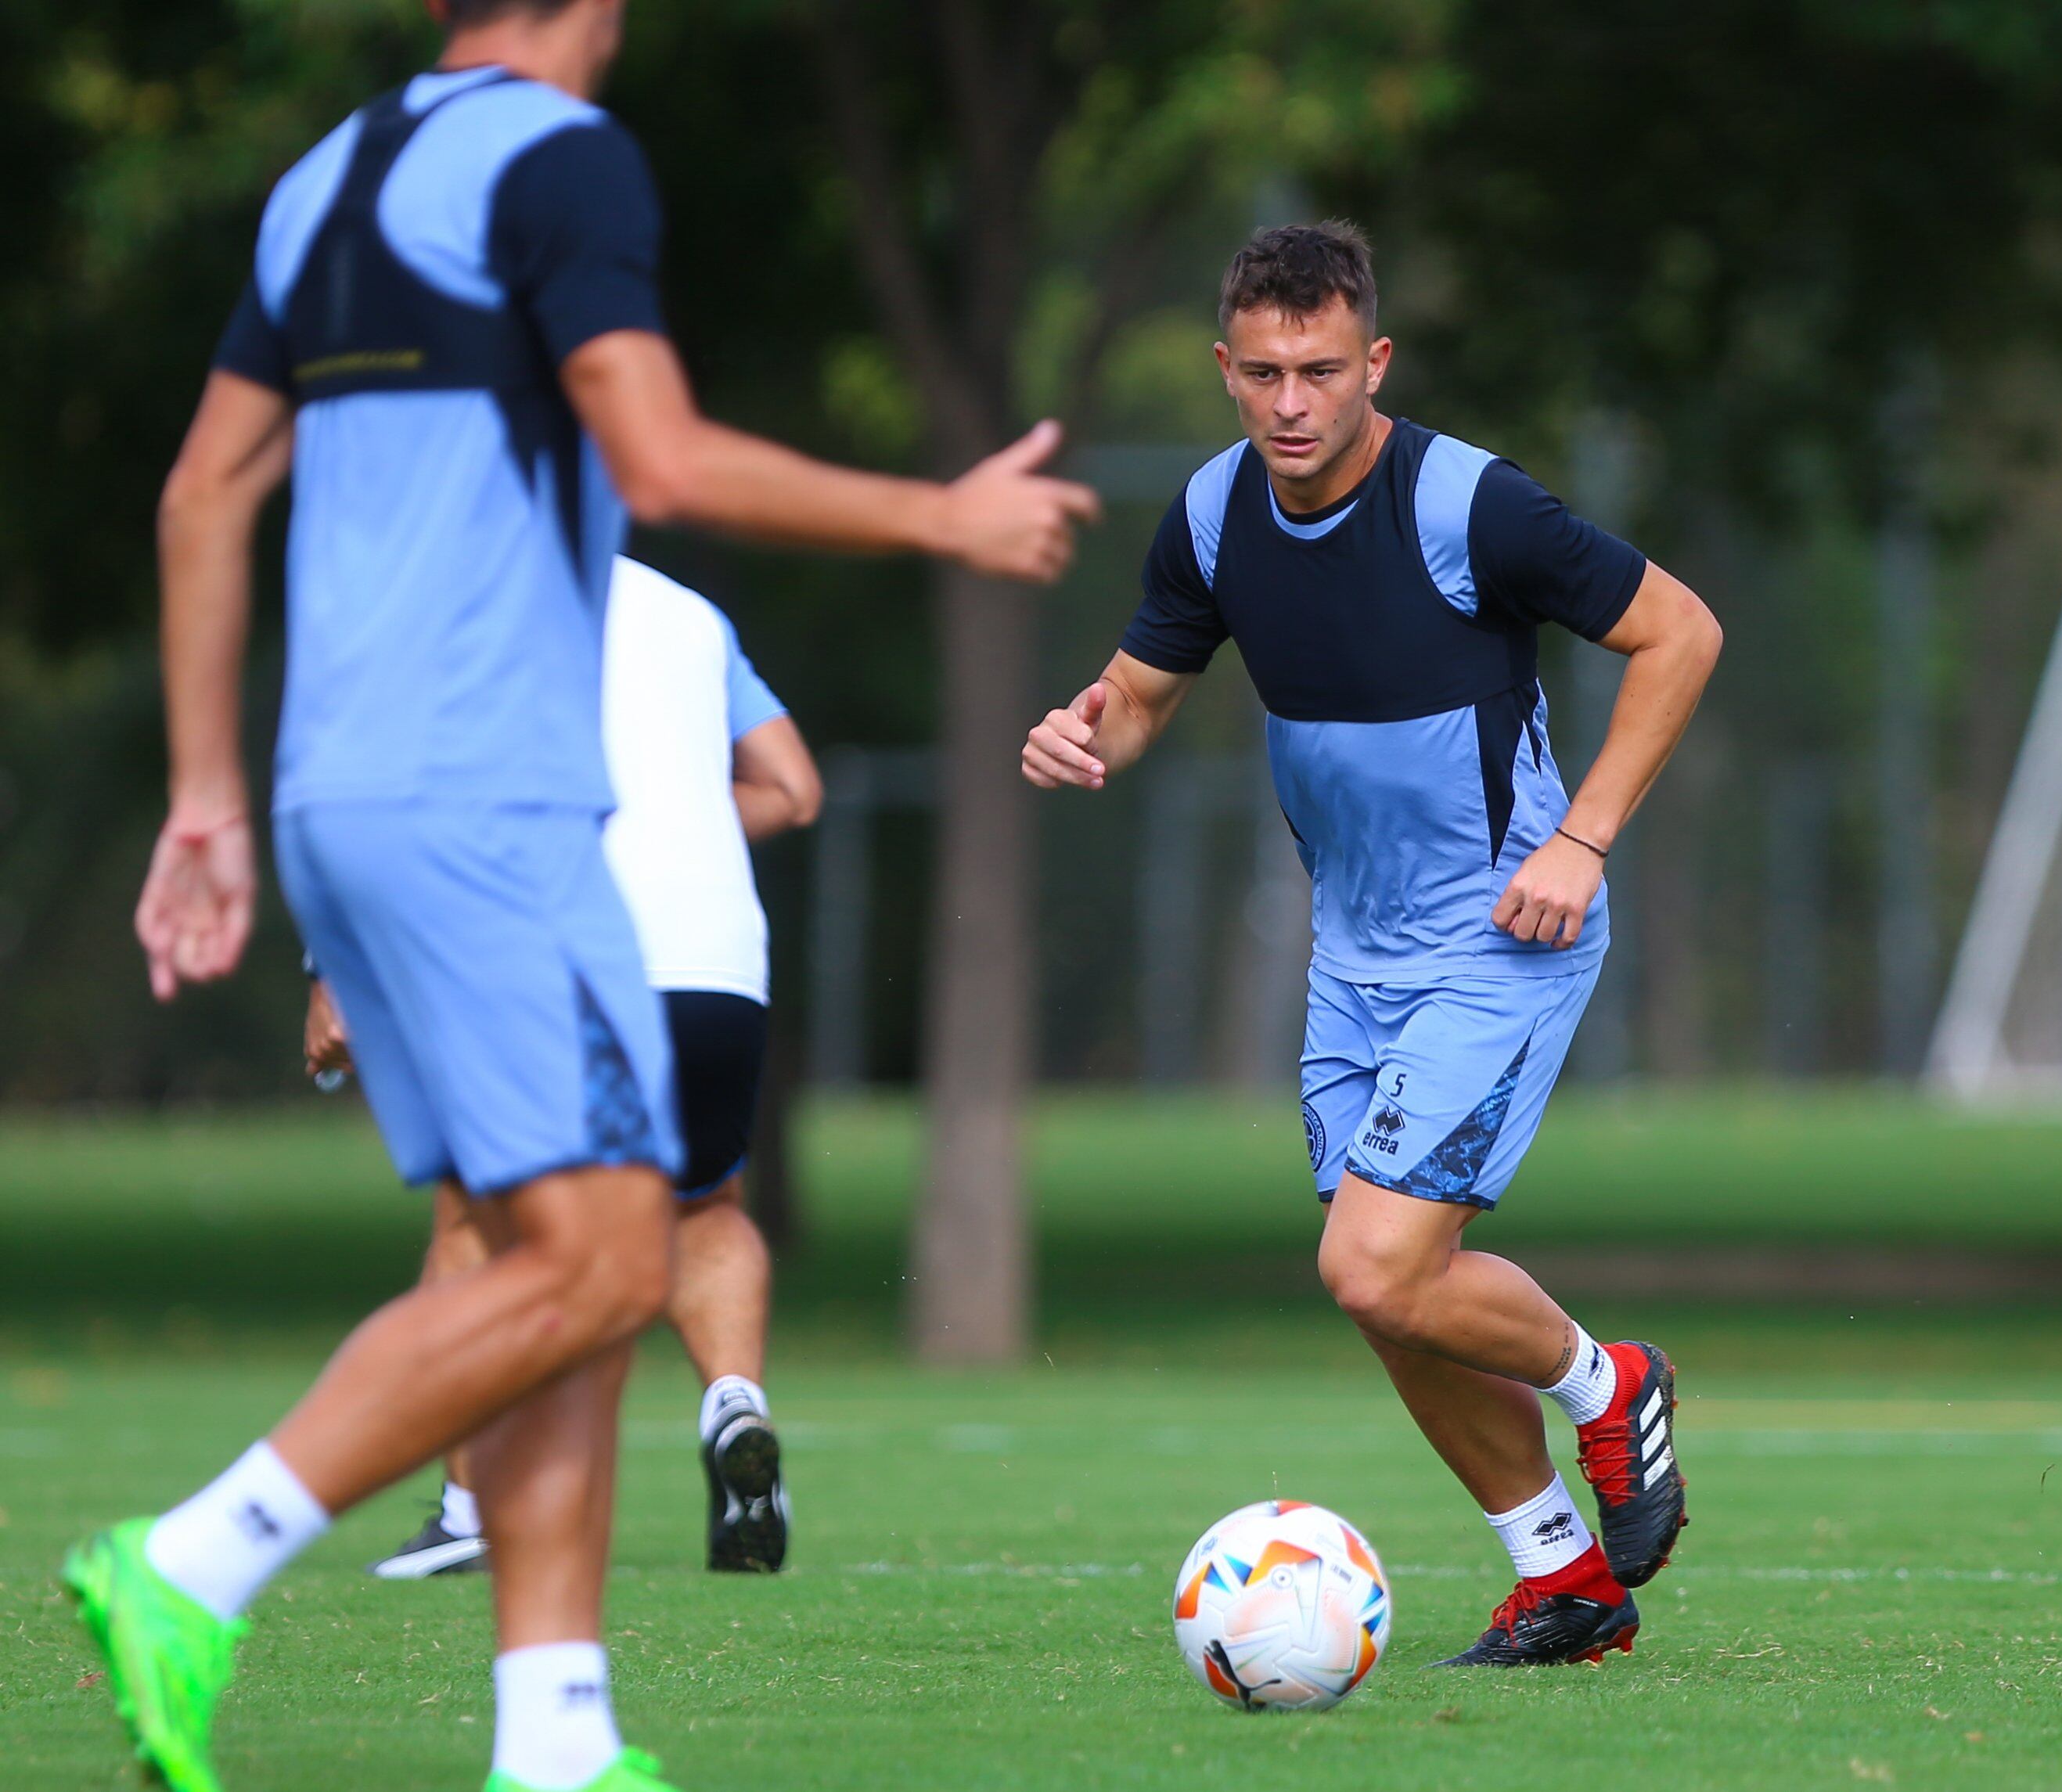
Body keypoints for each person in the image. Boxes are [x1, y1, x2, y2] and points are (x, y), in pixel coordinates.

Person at [73, 0, 1099, 1787]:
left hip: (343, 790)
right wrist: (939, 519)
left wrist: (206, 796)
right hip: (488, 796)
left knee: (566, 1246)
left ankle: (557, 1735)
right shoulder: (562, 159)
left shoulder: (324, 176)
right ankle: (190, 1562)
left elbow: (197, 495)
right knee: (618, 1254)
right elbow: (666, 462)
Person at [1022, 222, 1722, 1667]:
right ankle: (1564, 1583)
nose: (1292, 402)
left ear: (1373, 363)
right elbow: (1145, 687)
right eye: (1264, 372)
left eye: (1321, 371)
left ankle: (1610, 1381)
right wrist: (1087, 725)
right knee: (1391, 1293)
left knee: (1371, 1263)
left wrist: (1580, 839)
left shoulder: (1472, 504)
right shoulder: (1212, 516)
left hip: (1501, 935)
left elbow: (1684, 634)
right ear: (1224, 369)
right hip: (1354, 957)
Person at [318, 556, 818, 1581]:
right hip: (716, 960)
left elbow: (382, 789)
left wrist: (334, 965)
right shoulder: (689, 610)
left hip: (565, 951)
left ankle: (469, 1506)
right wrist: (666, 819)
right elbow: (792, 787)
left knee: (477, 1212)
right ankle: (733, 1402)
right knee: (703, 1206)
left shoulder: (445, 589)